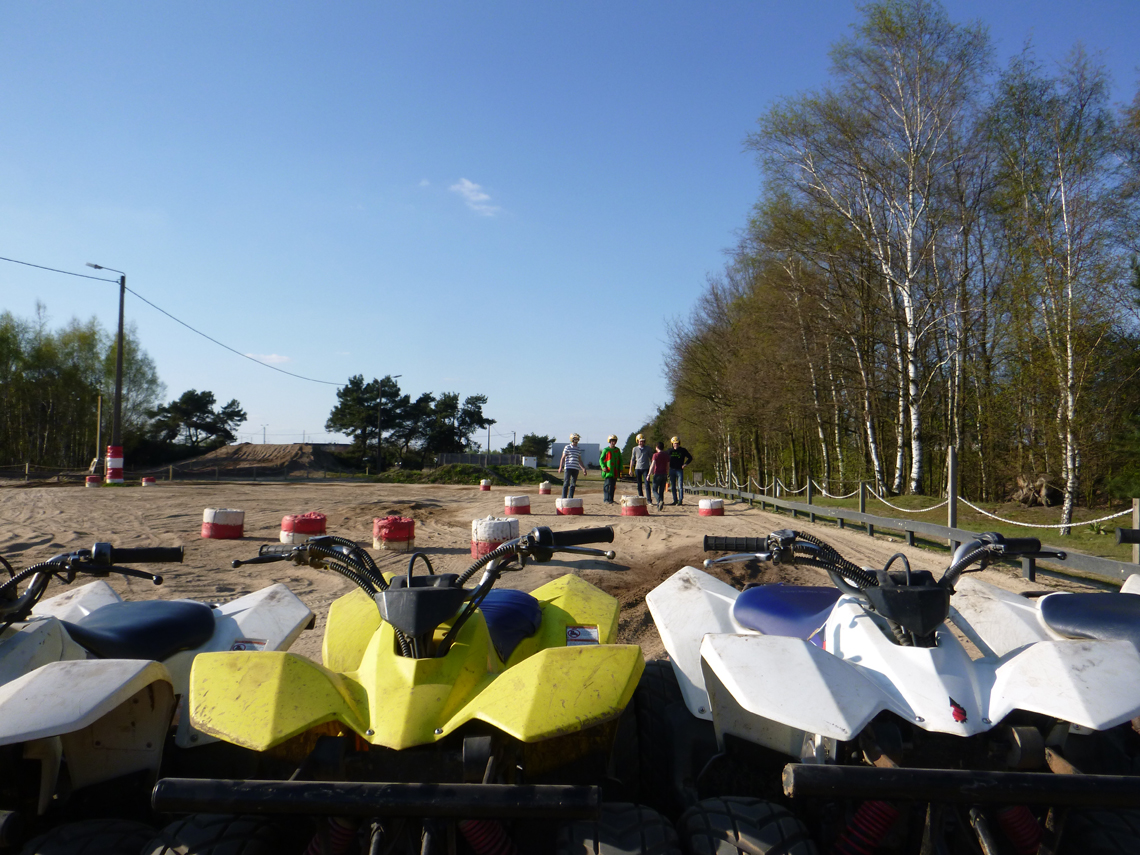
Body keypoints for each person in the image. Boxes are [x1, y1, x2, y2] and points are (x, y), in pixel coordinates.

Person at [627, 434, 653, 505]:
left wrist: (652, 468)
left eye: (643, 441)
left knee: (647, 484)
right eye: (640, 441)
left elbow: (652, 458)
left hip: (646, 468)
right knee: (639, 485)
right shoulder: (635, 449)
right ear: (637, 441)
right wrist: (630, 469)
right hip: (637, 468)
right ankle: (641, 498)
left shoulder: (648, 448)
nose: (642, 443)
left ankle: (649, 500)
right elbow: (632, 459)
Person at [558, 433, 586, 499]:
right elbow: (563, 457)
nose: (576, 440)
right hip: (568, 467)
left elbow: (579, 460)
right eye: (575, 439)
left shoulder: (578, 449)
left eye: (577, 439)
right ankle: (564, 498)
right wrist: (560, 467)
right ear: (572, 439)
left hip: (576, 468)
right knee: (566, 483)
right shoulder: (567, 447)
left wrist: (583, 468)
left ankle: (570, 498)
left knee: (573, 484)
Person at [668, 436, 693, 505]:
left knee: (680, 486)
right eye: (675, 443)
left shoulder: (683, 450)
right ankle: (675, 500)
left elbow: (690, 458)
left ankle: (680, 500)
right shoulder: (669, 451)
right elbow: (665, 459)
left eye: (677, 443)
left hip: (679, 470)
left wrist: (685, 464)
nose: (676, 444)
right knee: (673, 486)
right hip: (672, 470)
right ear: (672, 443)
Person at [647, 441, 670, 511]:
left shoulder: (655, 455)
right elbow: (668, 465)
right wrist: (667, 473)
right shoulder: (666, 455)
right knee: (661, 490)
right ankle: (659, 506)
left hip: (657, 474)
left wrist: (649, 474)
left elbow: (653, 465)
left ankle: (659, 500)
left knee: (654, 490)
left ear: (657, 447)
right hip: (664, 474)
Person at [599, 435, 622, 504]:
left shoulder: (617, 450)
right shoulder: (606, 450)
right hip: (608, 471)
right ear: (609, 441)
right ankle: (606, 499)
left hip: (615, 471)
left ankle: (611, 499)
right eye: (612, 441)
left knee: (613, 486)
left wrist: (620, 468)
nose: (613, 442)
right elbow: (601, 459)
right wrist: (603, 467)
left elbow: (620, 460)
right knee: (607, 485)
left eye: (614, 441)